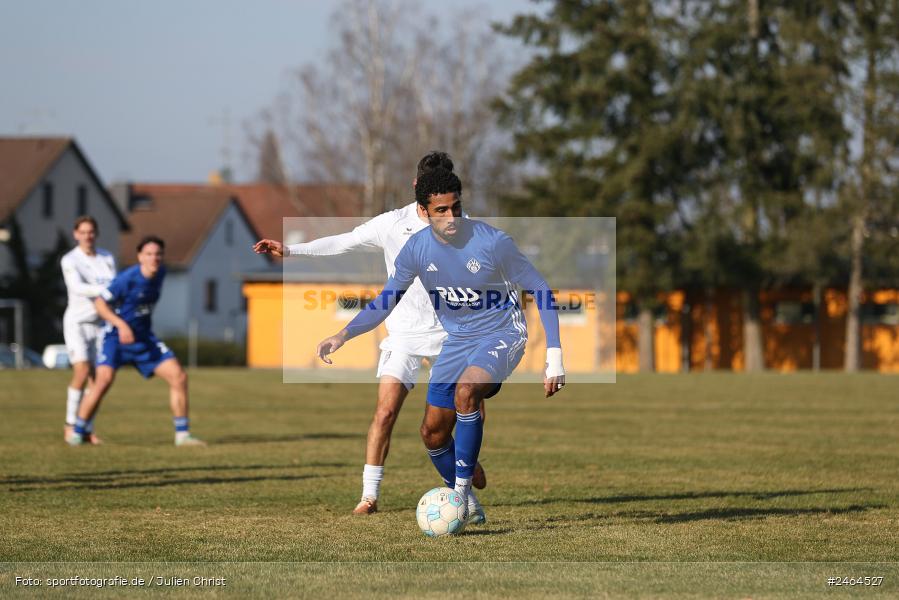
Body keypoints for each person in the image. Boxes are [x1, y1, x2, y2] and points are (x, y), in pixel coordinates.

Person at [316, 167, 565, 524]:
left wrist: (553, 358)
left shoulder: (492, 242)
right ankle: (467, 498)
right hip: (458, 340)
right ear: (424, 211)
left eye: (456, 207)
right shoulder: (416, 249)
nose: (452, 218)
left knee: (466, 392)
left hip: (502, 334)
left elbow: (541, 290)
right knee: (432, 434)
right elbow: (386, 300)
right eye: (441, 211)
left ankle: (460, 496)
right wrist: (343, 335)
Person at [253, 152, 487, 520]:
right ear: (417, 189)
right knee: (384, 412)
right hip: (404, 336)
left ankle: (464, 468)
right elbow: (343, 241)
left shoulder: (463, 225)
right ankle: (370, 497)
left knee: (455, 414)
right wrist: (291, 249)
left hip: (450, 336)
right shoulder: (392, 224)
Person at [68, 236, 205, 447]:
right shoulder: (127, 279)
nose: (154, 258)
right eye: (149, 254)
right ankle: (77, 432)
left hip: (143, 338)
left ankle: (182, 435)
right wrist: (121, 325)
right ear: (140, 256)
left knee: (178, 376)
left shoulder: (160, 273)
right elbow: (100, 304)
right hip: (116, 337)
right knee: (102, 381)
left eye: (158, 254)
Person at [60, 216, 117, 444]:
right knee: (82, 372)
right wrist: (105, 289)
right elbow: (76, 287)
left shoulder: (106, 257)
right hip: (77, 323)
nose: (87, 236)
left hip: (101, 324)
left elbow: (116, 284)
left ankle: (86, 428)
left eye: (91, 231)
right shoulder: (70, 259)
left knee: (98, 379)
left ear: (96, 233)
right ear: (76, 234)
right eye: (83, 232)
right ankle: (70, 425)